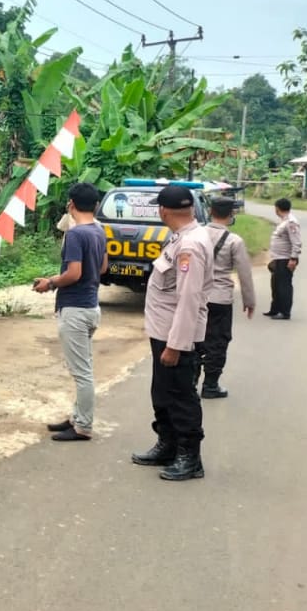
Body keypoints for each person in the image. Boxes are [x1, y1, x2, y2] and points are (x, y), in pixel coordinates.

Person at [132, 183, 213, 481]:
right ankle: (167, 445)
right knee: (163, 393)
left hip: (177, 337)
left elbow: (189, 299)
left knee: (181, 396)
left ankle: (190, 458)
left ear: (163, 211)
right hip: (163, 333)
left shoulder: (190, 245)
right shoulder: (181, 238)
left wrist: (176, 345)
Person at [32, 182, 108, 442]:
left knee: (81, 372)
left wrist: (51, 283)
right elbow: (103, 266)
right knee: (83, 367)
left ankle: (83, 426)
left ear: (71, 204)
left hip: (75, 309)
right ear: (96, 205)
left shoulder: (76, 234)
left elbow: (74, 273)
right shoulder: (99, 230)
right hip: (90, 305)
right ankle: (77, 417)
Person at [197, 197, 257, 398]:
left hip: (197, 297)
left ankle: (190, 383)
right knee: (218, 341)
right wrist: (249, 301)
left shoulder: (196, 234)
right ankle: (210, 385)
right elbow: (244, 273)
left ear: (210, 211)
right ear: (231, 215)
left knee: (195, 340)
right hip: (220, 299)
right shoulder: (234, 241)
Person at [265, 197, 301, 320]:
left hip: (286, 259)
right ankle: (274, 309)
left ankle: (285, 312)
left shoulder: (291, 222)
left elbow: (296, 242)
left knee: (284, 286)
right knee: (275, 285)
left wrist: (293, 258)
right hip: (278, 258)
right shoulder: (283, 221)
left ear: (277, 208)